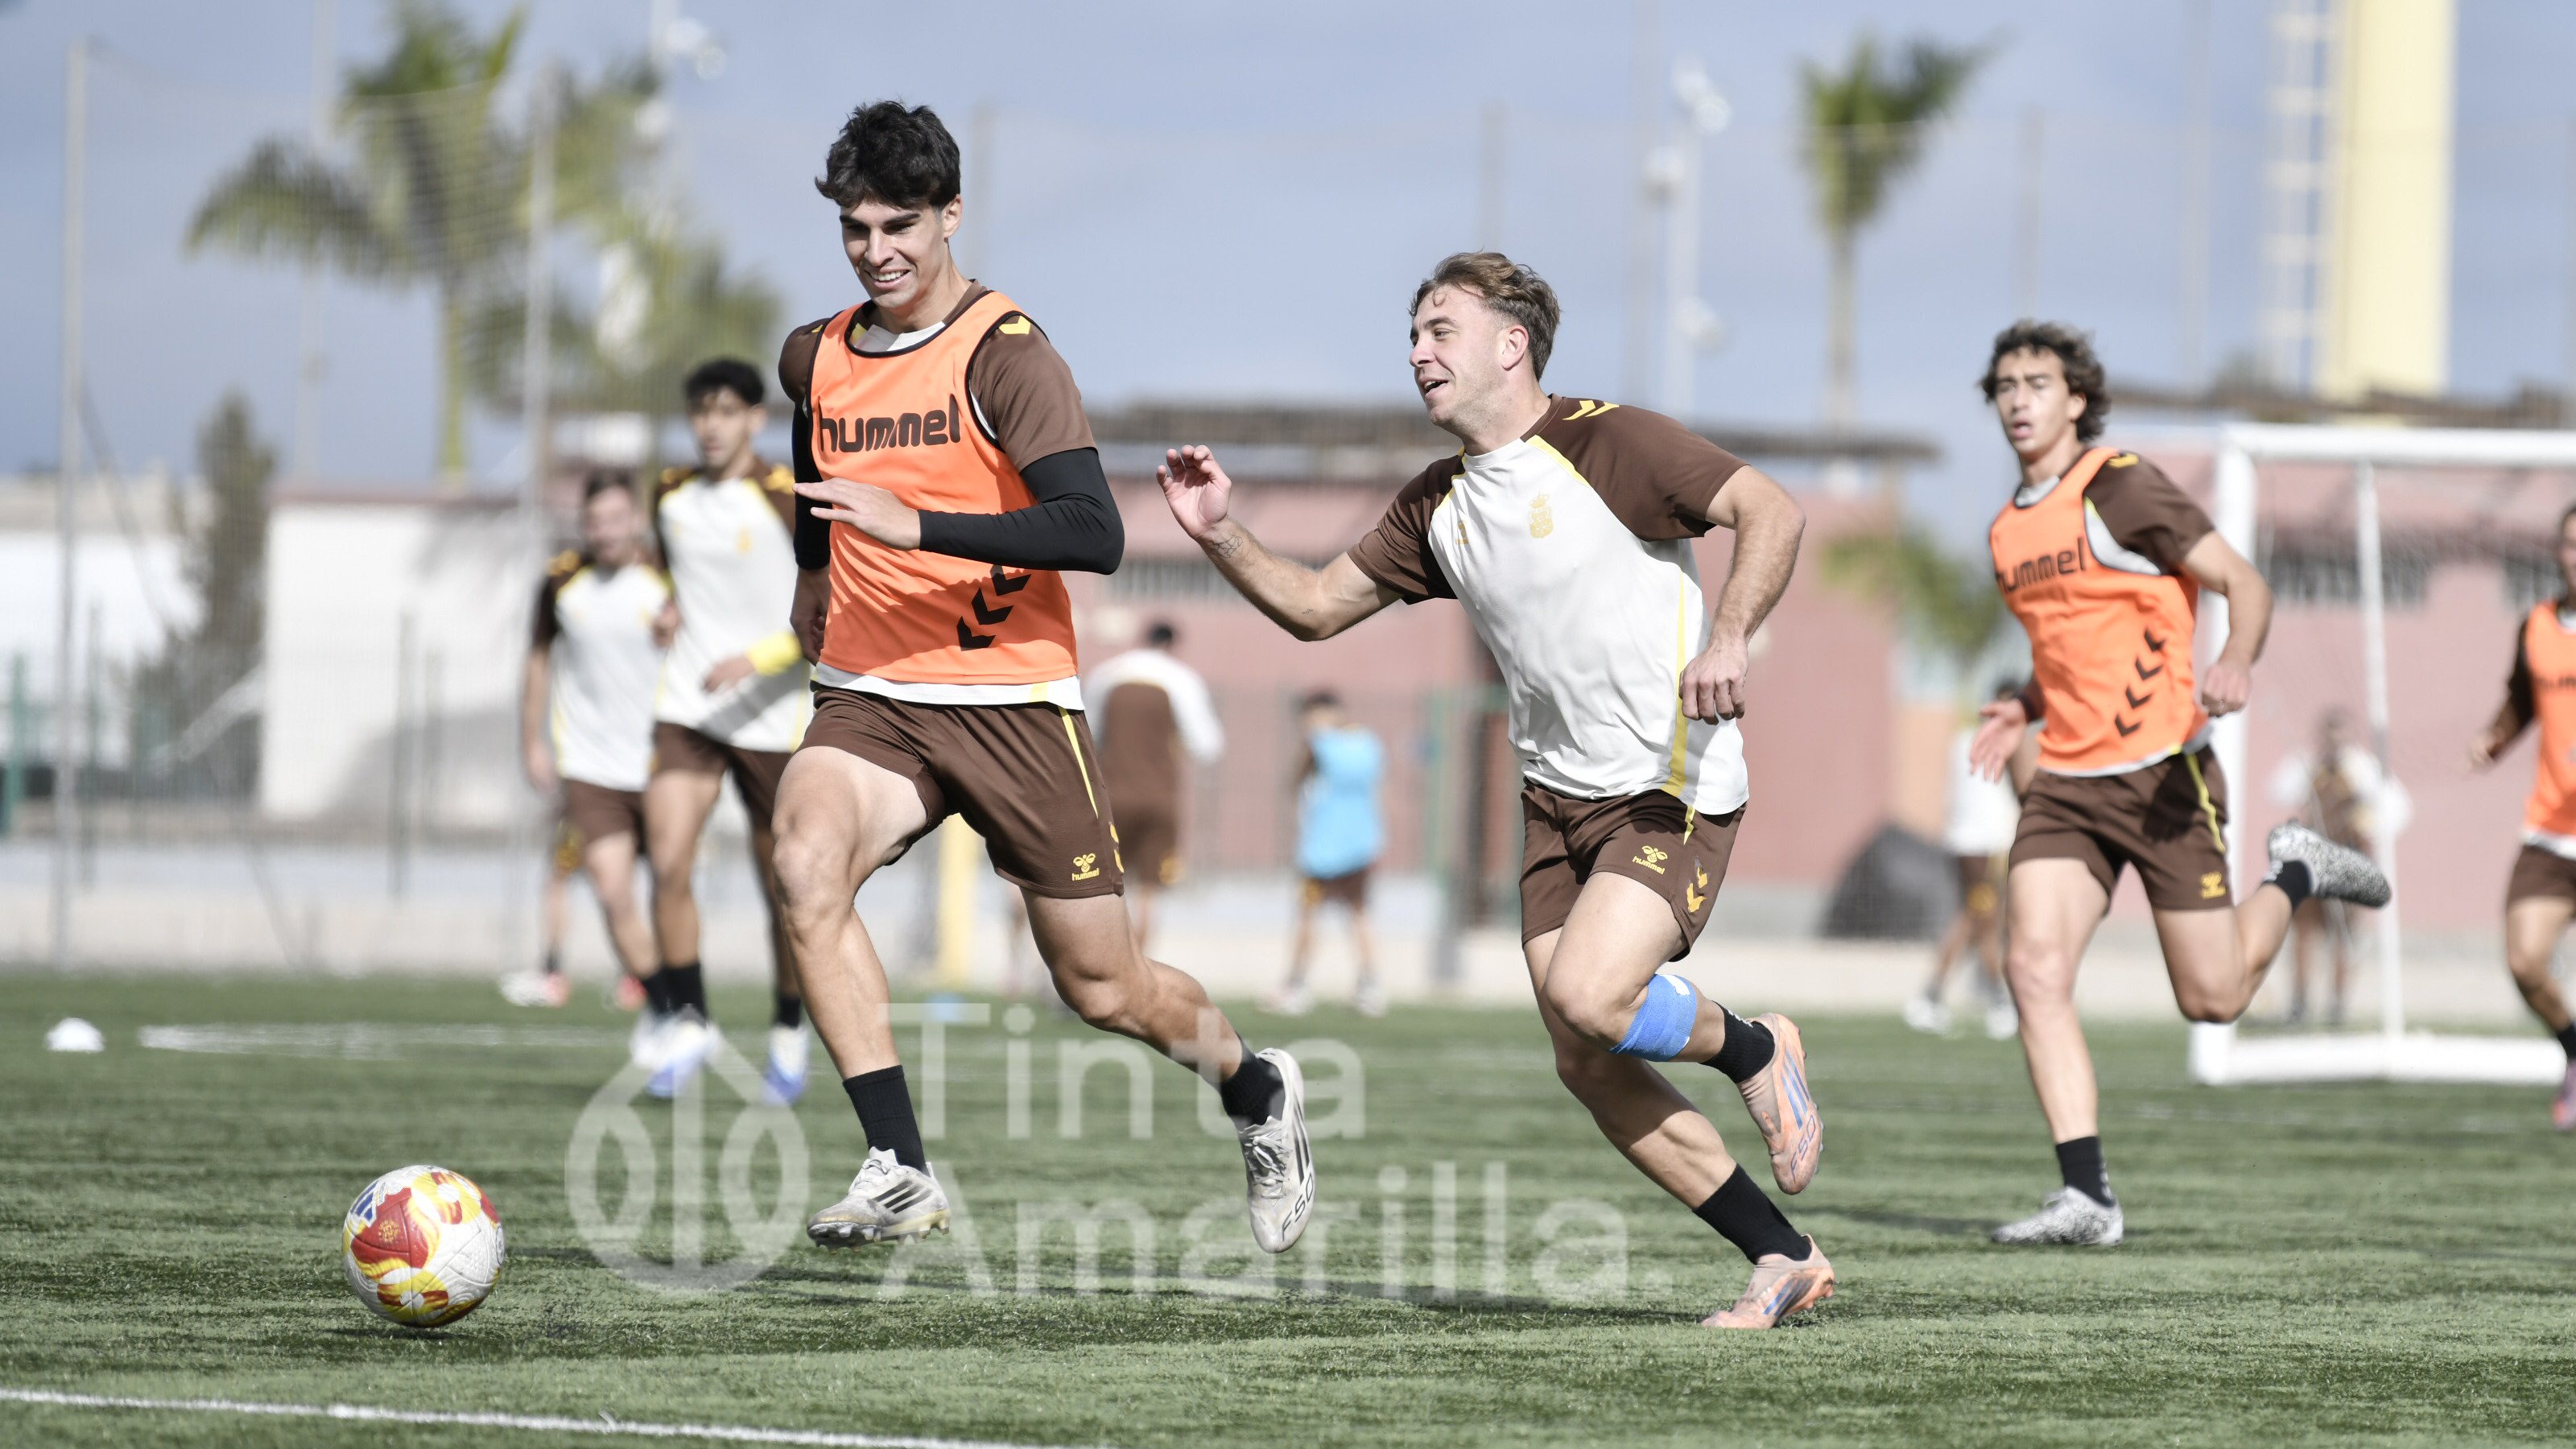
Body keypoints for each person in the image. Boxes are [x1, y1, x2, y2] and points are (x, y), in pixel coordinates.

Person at [1159, 251, 1830, 1329]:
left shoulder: (1608, 440)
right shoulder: (1440, 502)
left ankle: (1755, 1046)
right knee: (1586, 1060)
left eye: (1440, 330)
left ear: (1510, 344)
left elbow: (1773, 511)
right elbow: (1320, 607)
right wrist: (1220, 534)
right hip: (1552, 804)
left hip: (1668, 783)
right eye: (1414, 335)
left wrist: (1732, 636)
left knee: (1590, 998)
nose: (1419, 353)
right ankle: (1781, 1256)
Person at [770, 101, 1312, 1254]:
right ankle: (898, 1165)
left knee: (1101, 988)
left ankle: (1255, 1088)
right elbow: (816, 485)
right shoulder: (812, 356)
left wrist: (912, 525)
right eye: (856, 229)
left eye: (901, 225)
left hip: (1009, 698)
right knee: (803, 864)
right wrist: (815, 578)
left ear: (952, 215)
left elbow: (1091, 530)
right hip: (871, 689)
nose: (878, 251)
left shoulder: (1007, 355)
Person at [1968, 321, 2389, 1246]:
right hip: (2069, 782)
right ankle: (2086, 1196)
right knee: (2032, 968)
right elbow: (2072, 646)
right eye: (2002, 386)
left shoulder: (2116, 486)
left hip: (2164, 774)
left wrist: (2234, 660)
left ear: (2075, 398)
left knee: (2212, 998)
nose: (2016, 400)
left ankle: (2297, 873)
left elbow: (2244, 584)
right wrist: (2022, 706)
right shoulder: (2006, 530)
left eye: (2035, 382)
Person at [642, 358, 815, 1104]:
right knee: (669, 859)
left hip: (774, 714)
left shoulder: (787, 498)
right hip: (688, 707)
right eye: (699, 411)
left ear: (754, 419)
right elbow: (677, 570)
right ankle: (689, 1021)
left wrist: (757, 658)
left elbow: (825, 610)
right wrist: (669, 606)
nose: (711, 425)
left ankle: (787, 1027)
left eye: (725, 411)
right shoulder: (670, 494)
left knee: (784, 885)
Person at [507, 473, 667, 1061]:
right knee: (612, 890)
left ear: (635, 519)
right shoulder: (560, 581)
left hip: (662, 762)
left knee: (670, 891)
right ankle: (662, 1004)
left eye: (616, 519)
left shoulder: (665, 575)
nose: (604, 532)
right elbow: (537, 664)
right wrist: (533, 742)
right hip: (590, 765)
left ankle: (677, 1002)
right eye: (594, 521)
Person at [2467, 503, 2576, 1130]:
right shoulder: (2536, 624)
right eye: (2570, 543)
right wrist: (2493, 739)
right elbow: (2519, 701)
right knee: (2524, 960)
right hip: (2551, 832)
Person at [1084, 619, 1225, 951]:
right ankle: (1139, 968)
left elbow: (1087, 733)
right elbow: (1208, 745)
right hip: (1158, 800)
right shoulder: (1182, 679)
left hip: (1111, 797)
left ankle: (1102, 965)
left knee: (1106, 887)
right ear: (1172, 645)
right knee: (1150, 888)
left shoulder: (1108, 675)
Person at [2266, 708, 2405, 1026]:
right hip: (2312, 859)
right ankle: (2299, 1003)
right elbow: (2277, 790)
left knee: (2345, 934)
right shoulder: (2308, 765)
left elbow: (2396, 808)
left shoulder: (2364, 769)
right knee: (2305, 931)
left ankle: (2337, 1006)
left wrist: (2366, 822)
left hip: (2347, 859)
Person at [1909, 680, 2023, 1040]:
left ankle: (1947, 996)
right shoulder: (2005, 741)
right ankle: (1989, 1001)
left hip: (1964, 843)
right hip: (1987, 845)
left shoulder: (1962, 739)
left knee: (1978, 918)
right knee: (1982, 920)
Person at [1266, 691, 1387, 1018]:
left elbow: (1295, 781)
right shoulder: (1368, 742)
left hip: (1323, 847)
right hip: (1362, 843)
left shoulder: (1319, 743)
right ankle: (1370, 986)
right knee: (1359, 914)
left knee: (1308, 915)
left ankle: (1295, 985)